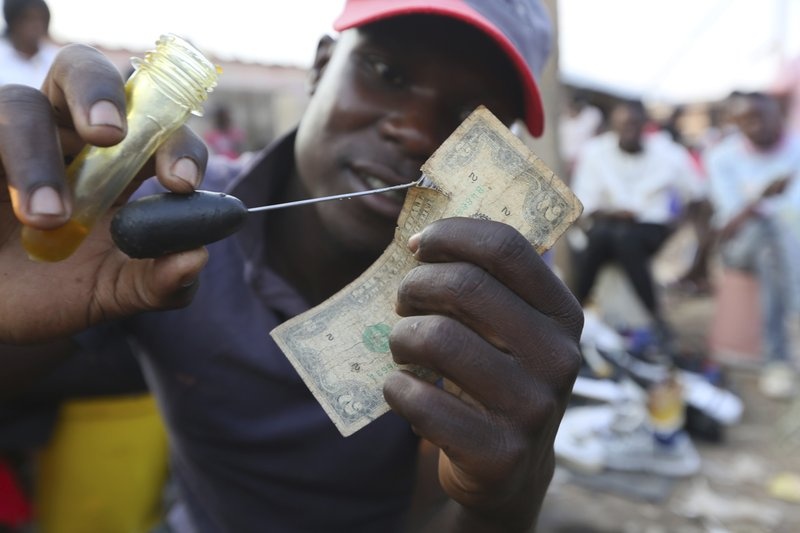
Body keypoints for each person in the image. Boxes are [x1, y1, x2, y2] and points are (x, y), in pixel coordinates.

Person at [0, 1, 583, 532]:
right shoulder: (149, 212)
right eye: (386, 72)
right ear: (322, 67)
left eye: (470, 115)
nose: (414, 131)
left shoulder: (488, 287)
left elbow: (442, 507)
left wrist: (504, 504)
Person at [570, 99, 704, 354]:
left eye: (634, 123)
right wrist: (613, 213)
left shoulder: (668, 153)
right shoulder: (595, 152)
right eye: (623, 124)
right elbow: (582, 205)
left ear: (645, 124)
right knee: (608, 235)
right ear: (613, 126)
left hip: (650, 227)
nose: (629, 130)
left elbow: (697, 196)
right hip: (605, 225)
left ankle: (571, 311)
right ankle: (655, 319)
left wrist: (679, 228)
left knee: (623, 237)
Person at [704, 91, 800, 400]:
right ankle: (779, 355)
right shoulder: (722, 157)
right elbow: (727, 227)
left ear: (779, 115)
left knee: (773, 248)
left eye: (761, 117)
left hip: (786, 247)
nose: (755, 126)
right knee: (768, 231)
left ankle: (778, 361)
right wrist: (762, 197)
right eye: (746, 120)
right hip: (740, 247)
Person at [0, 0, 59, 87]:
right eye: (29, 19)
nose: (37, 25)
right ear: (13, 22)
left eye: (41, 19)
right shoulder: (2, 58)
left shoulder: (55, 59)